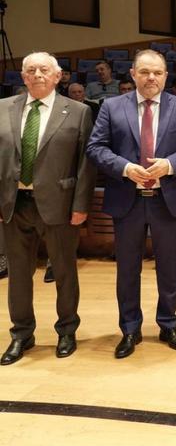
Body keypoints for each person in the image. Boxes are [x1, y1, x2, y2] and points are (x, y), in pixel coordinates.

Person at [86, 49, 176, 359]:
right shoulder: (111, 107)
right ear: (133, 75)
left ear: (166, 76)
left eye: (157, 72)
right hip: (127, 199)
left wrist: (170, 164)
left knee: (168, 268)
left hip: (167, 200)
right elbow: (95, 147)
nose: (151, 77)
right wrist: (125, 168)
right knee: (127, 269)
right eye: (145, 72)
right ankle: (129, 328)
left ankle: (168, 323)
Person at [0, 52, 96, 365]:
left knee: (65, 271)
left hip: (61, 205)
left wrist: (81, 205)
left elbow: (86, 163)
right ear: (23, 77)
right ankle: (22, 334)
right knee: (18, 273)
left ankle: (67, 330)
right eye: (30, 70)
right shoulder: (2, 108)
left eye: (44, 70)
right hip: (14, 204)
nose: (37, 74)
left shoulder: (79, 111)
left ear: (57, 77)